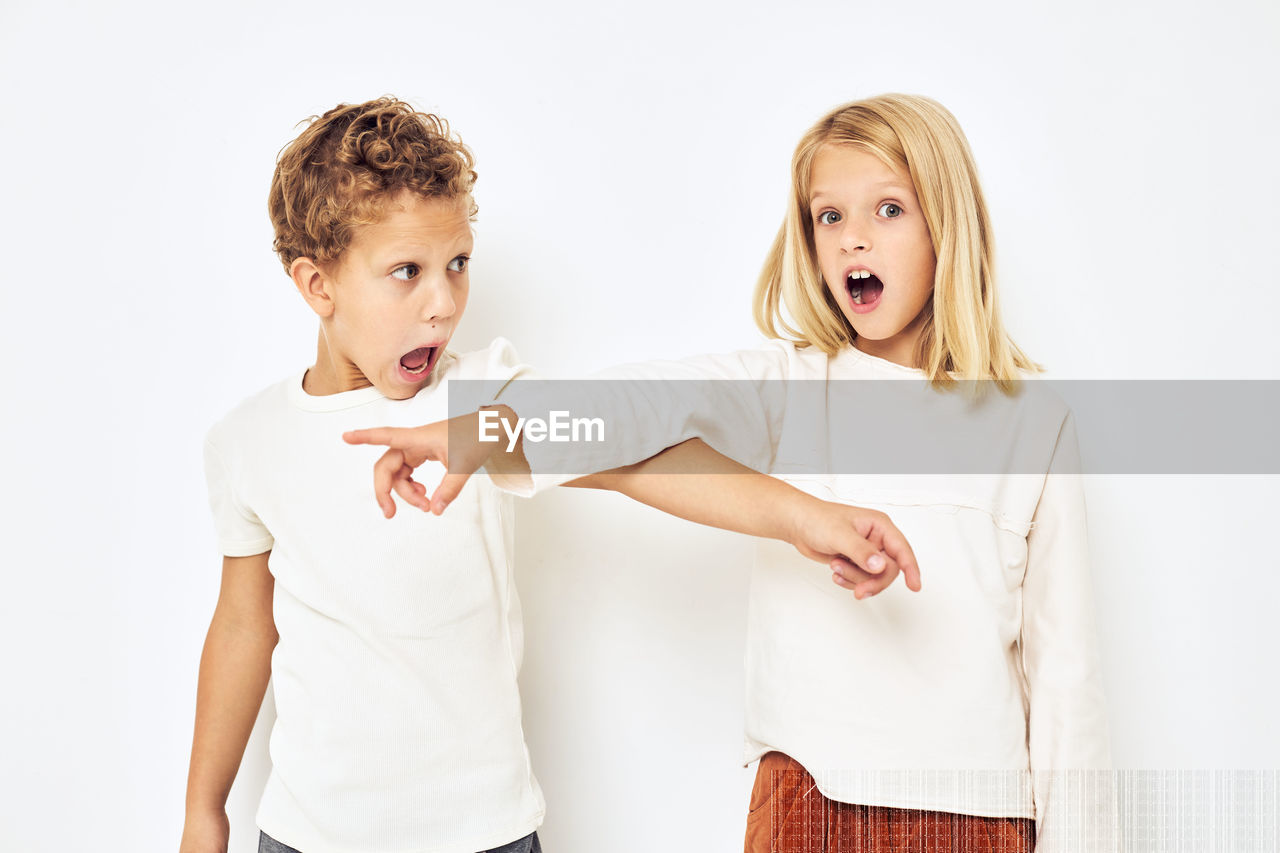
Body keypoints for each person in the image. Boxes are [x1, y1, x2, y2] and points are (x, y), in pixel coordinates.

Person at [346, 94, 1114, 852]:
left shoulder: (1034, 427)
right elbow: (632, 408)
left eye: (888, 210)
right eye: (829, 216)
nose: (853, 241)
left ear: (947, 226)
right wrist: (482, 432)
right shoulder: (788, 387)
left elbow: (1066, 684)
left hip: (976, 816)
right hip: (809, 798)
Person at [181, 96, 922, 853]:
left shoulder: (485, 400)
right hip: (309, 834)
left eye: (458, 264)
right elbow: (243, 625)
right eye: (407, 271)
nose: (443, 304)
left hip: (485, 833)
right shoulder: (248, 442)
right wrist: (204, 810)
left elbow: (637, 460)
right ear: (317, 284)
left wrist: (802, 515)